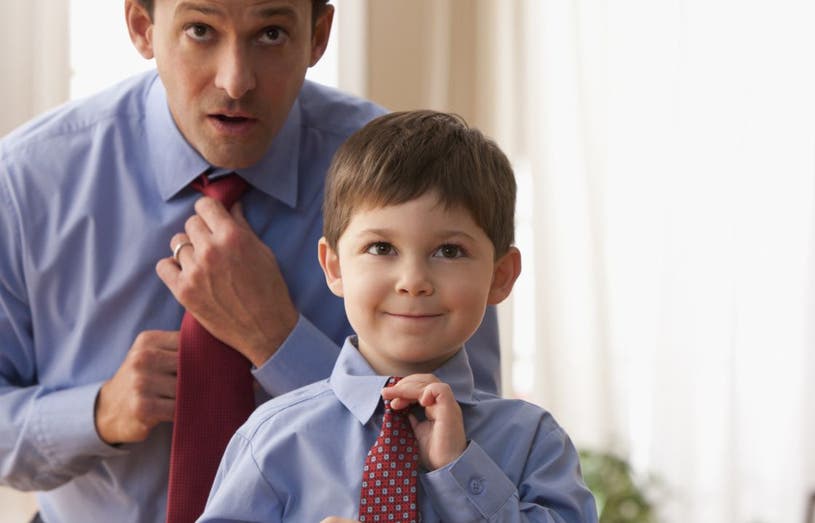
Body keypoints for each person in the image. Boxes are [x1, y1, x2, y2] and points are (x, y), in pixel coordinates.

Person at [0, 2, 500, 522]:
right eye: (200, 30)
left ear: (318, 35)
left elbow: (484, 442)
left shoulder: (421, 183)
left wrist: (279, 342)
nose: (236, 81)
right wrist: (99, 412)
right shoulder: (25, 182)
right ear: (142, 28)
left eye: (271, 34)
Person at [198, 110, 597, 523]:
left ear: (500, 276)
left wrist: (460, 467)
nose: (413, 281)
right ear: (334, 267)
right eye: (381, 248)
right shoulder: (272, 441)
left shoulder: (534, 442)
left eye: (449, 251)